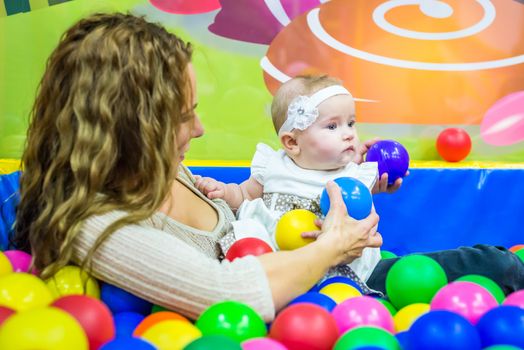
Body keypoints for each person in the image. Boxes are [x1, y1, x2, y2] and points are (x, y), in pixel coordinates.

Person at [11, 13, 382, 322]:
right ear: (130, 129)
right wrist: (333, 246)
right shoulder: (95, 221)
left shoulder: (159, 166)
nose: (200, 129)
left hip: (322, 293)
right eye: (184, 117)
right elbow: (228, 295)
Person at [195, 75, 401, 290]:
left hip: (333, 261)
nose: (348, 134)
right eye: (332, 126)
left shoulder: (356, 175)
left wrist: (377, 184)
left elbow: (360, 212)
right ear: (292, 142)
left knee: (338, 289)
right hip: (274, 258)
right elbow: (245, 194)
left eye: (350, 123)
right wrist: (224, 192)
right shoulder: (273, 165)